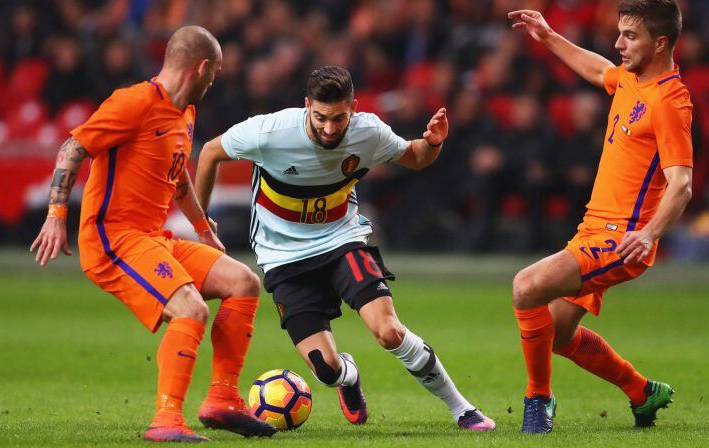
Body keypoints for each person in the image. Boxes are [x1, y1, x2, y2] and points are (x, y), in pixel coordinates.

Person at [195, 65, 496, 431]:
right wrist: (200, 221)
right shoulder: (270, 131)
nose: (329, 128)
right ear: (307, 106)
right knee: (326, 369)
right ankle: (349, 376)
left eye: (338, 118)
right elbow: (210, 152)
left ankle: (462, 409)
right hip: (284, 257)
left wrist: (433, 143)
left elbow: (415, 157)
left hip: (343, 240)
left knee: (389, 332)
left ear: (352, 107)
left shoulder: (368, 132)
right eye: (320, 117)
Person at [30, 26, 276, 442]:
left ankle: (222, 400)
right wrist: (56, 214)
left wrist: (202, 228)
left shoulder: (185, 113)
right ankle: (166, 420)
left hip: (153, 237)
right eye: (214, 72)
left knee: (243, 282)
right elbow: (72, 148)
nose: (215, 80)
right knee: (191, 308)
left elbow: (177, 177)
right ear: (201, 68)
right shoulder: (133, 103)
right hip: (113, 240)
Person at [507, 0, 693, 434]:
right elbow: (597, 70)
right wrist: (550, 37)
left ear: (660, 42)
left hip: (623, 239)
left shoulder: (669, 101)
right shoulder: (631, 79)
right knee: (556, 333)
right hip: (591, 230)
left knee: (526, 287)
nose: (618, 43)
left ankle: (538, 400)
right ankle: (642, 391)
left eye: (630, 36)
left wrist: (649, 234)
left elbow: (681, 184)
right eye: (620, 33)